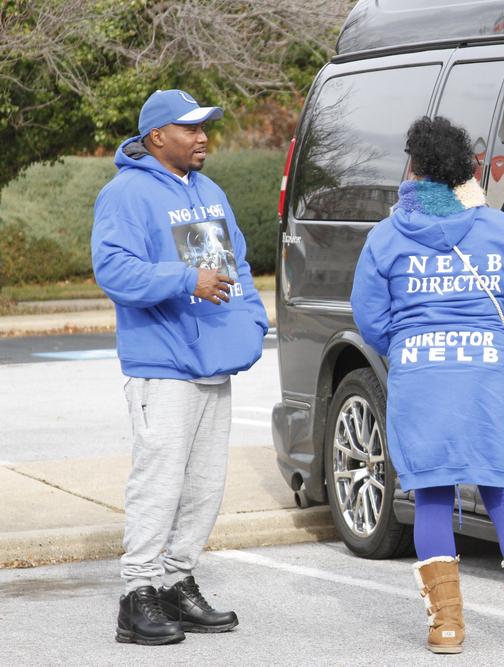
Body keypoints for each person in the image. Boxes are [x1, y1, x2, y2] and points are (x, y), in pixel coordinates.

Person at [350, 116, 504, 654]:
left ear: (414, 168)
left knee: (433, 500)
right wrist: (487, 345)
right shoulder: (501, 230)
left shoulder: (386, 235)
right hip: (484, 375)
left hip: (420, 375)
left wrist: (409, 345)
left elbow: (370, 318)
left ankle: (447, 628)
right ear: (464, 170)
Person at [91, 89, 269, 645]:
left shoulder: (209, 192)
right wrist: (182, 279)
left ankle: (176, 583)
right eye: (190, 129)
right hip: (162, 366)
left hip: (213, 363)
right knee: (159, 484)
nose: (202, 137)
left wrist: (252, 322)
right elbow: (114, 270)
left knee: (203, 488)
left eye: (205, 127)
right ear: (156, 137)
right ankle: (137, 595)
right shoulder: (126, 193)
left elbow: (233, 262)